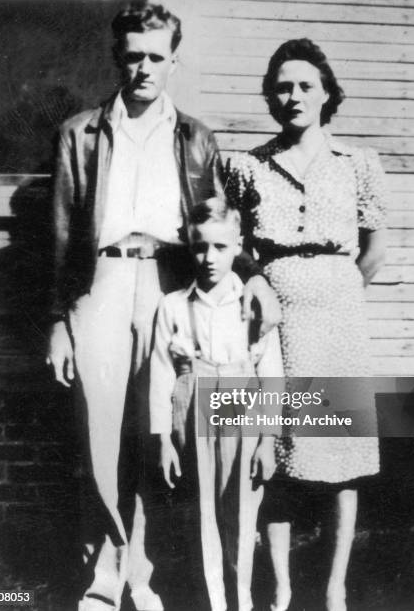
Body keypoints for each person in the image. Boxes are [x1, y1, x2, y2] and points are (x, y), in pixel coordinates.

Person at [45, 1, 280, 610]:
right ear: (116, 58)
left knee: (152, 433)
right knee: (98, 433)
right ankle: (103, 575)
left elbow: (218, 219)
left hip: (166, 283)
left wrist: (250, 275)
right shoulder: (80, 133)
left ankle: (141, 576)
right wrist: (57, 322)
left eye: (155, 56)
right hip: (98, 286)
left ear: (174, 60)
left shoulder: (195, 136)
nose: (143, 68)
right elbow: (63, 233)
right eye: (132, 56)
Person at [225, 38, 386, 611]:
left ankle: (334, 588)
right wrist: (259, 279)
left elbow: (373, 250)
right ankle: (282, 589)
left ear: (326, 94)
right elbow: (231, 245)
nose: (292, 96)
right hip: (274, 324)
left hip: (339, 322)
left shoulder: (358, 164)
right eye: (282, 86)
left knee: (341, 455)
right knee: (276, 454)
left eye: (304, 86)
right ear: (270, 95)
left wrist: (334, 288)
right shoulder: (246, 166)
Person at [149, 198, 284, 611]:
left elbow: (272, 375)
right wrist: (163, 440)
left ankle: (240, 599)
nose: (209, 258)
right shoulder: (173, 305)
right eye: (200, 247)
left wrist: (266, 440)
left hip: (243, 415)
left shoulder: (252, 306)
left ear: (238, 245)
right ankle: (211, 601)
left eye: (221, 247)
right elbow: (160, 374)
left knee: (242, 512)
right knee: (202, 511)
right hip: (192, 419)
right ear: (189, 246)